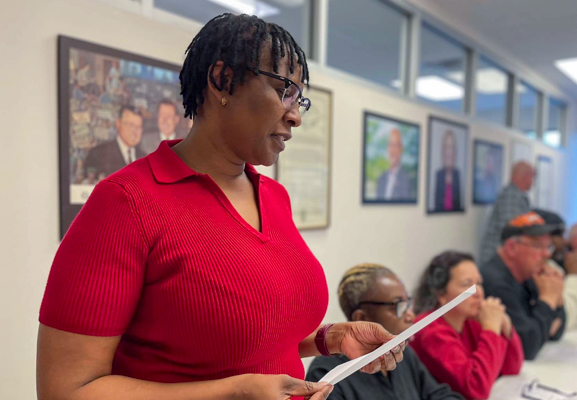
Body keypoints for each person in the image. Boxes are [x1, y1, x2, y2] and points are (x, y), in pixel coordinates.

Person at [38, 14, 406, 400]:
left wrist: (331, 338)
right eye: (285, 92)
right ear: (222, 80)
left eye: (301, 100)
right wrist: (231, 393)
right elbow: (66, 390)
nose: (296, 116)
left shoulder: (274, 197)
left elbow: (245, 343)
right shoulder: (125, 204)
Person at [307, 264, 465, 400]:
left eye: (408, 303)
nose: (410, 315)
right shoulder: (327, 374)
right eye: (398, 305)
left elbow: (440, 394)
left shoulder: (405, 355)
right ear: (362, 317)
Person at [410, 251, 523, 400]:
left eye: (479, 283)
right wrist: (491, 330)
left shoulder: (469, 319)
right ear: (441, 295)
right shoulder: (430, 331)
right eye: (466, 284)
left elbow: (511, 368)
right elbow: (476, 390)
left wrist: (505, 328)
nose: (478, 292)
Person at [479, 212, 566, 360]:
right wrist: (548, 300)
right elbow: (527, 347)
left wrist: (555, 301)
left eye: (549, 247)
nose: (547, 254)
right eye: (538, 246)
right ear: (511, 248)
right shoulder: (495, 283)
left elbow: (557, 331)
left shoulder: (528, 275)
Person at [534, 209, 577, 329]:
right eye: (560, 235)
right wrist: (575, 275)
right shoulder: (538, 269)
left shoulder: (556, 263)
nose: (564, 241)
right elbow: (566, 318)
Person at [479, 161, 535, 264]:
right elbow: (511, 229)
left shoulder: (520, 196)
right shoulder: (510, 195)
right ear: (525, 176)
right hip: (495, 259)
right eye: (532, 176)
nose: (533, 181)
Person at [84, 105, 147, 177]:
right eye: (130, 125)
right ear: (118, 123)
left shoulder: (145, 159)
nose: (134, 131)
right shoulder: (98, 154)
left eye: (138, 126)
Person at [376, 128, 413, 200]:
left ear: (401, 149)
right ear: (387, 148)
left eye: (395, 145)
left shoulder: (406, 179)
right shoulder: (381, 179)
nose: (392, 150)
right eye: (390, 145)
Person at [434, 131, 462, 212]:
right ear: (443, 151)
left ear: (455, 152)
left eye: (451, 147)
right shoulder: (438, 175)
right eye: (446, 147)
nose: (448, 152)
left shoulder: (457, 175)